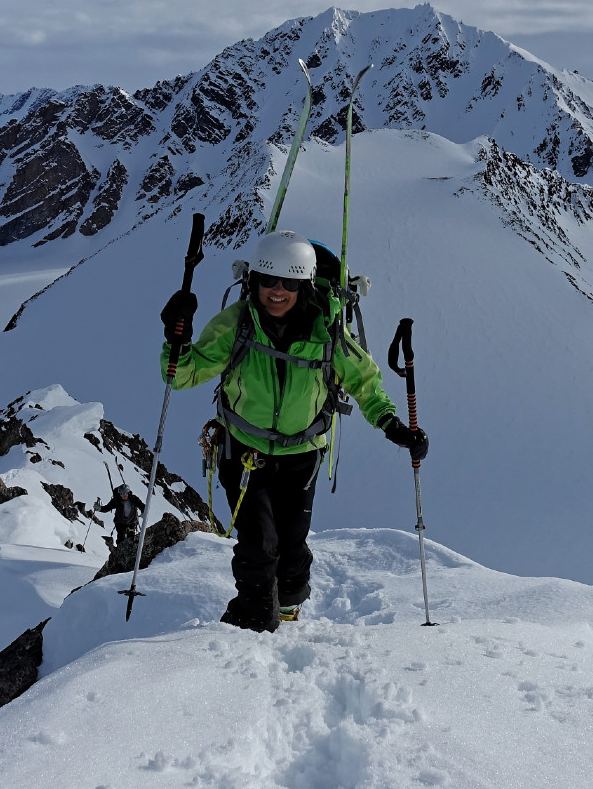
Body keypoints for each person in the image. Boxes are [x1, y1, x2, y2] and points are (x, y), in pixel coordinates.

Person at [160, 229, 429, 631]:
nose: (277, 291)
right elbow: (182, 375)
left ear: (304, 286)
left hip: (302, 456)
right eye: (268, 280)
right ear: (254, 281)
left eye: (289, 282)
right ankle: (250, 625)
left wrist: (393, 426)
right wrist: (175, 338)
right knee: (258, 545)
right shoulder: (237, 324)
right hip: (244, 452)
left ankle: (287, 607)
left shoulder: (328, 331)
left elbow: (364, 383)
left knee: (292, 547)